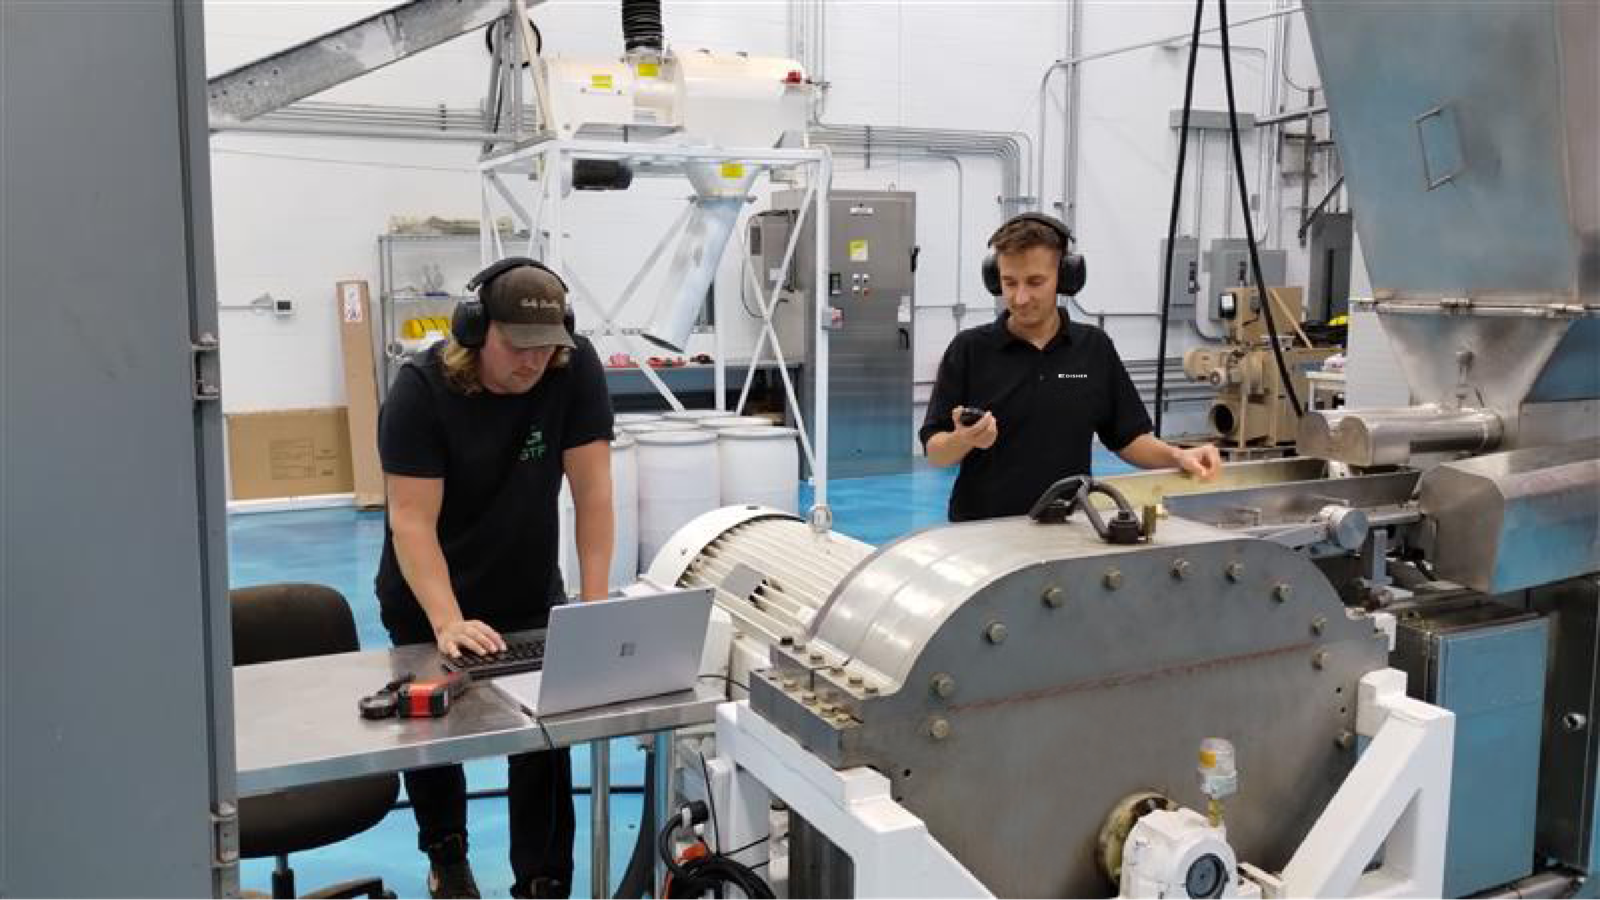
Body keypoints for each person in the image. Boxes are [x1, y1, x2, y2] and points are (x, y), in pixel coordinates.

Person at [374, 258, 614, 900]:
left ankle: (542, 878)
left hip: (525, 583)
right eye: (519, 347)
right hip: (428, 592)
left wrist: (593, 608)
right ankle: (447, 855)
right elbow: (411, 521)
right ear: (476, 331)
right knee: (430, 729)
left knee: (545, 734)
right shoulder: (420, 391)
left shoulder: (572, 370)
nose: (534, 363)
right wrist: (448, 621)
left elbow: (592, 495)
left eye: (548, 348)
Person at [920, 214, 1221, 522]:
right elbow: (935, 451)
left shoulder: (1093, 348)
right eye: (1010, 283)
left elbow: (1127, 438)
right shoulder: (970, 349)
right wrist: (963, 439)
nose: (1020, 297)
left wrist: (1178, 455)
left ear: (1064, 278)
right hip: (982, 529)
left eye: (1035, 282)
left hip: (1069, 526)